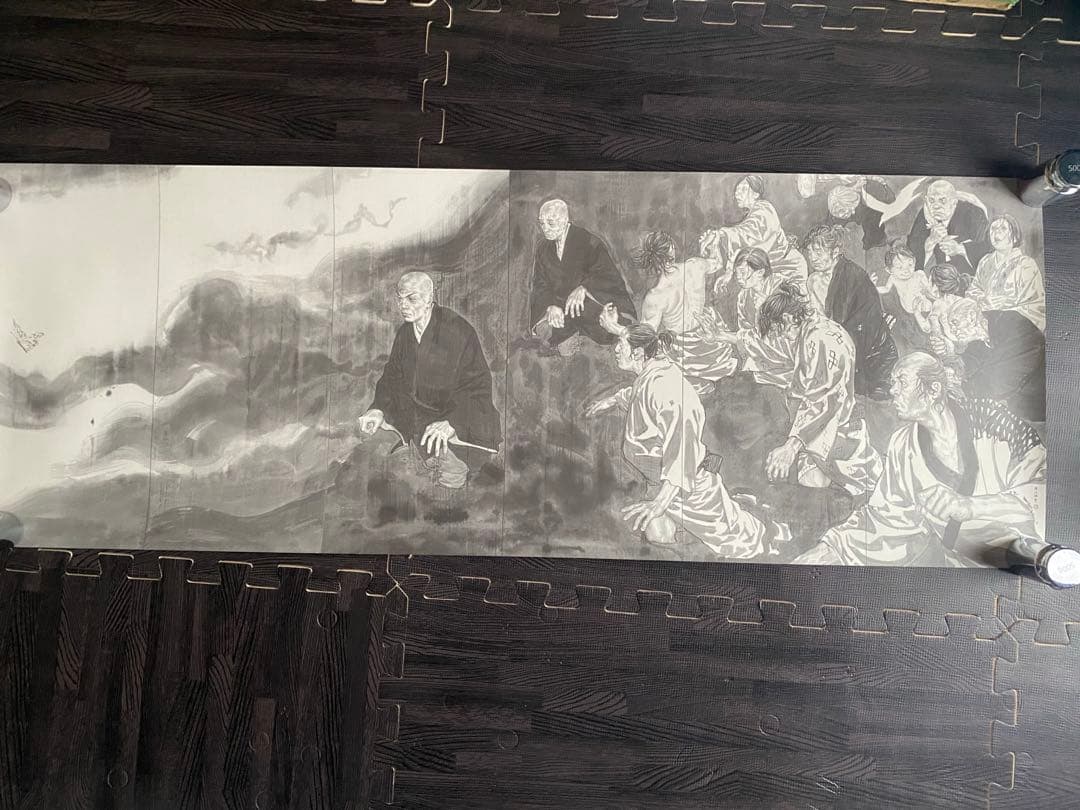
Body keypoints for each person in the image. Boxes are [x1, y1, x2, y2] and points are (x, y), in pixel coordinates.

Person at [794, 352, 1045, 566]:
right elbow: (887, 518)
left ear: (933, 390)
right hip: (960, 568)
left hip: (1028, 561)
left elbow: (1041, 492)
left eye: (901, 382)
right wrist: (832, 549)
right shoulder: (903, 444)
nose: (893, 390)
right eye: (892, 383)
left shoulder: (993, 421)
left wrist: (971, 506)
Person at [584, 323, 788, 559]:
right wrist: (612, 400)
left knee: (740, 542)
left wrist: (659, 503)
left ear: (638, 353)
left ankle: (769, 530)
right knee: (657, 533)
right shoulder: (650, 375)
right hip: (660, 481)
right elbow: (639, 396)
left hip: (687, 484)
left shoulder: (667, 387)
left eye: (621, 345)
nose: (616, 350)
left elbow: (682, 452)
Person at [357, 271, 501, 489]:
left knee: (450, 478)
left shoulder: (457, 330)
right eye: (400, 299)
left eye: (411, 298)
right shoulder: (405, 333)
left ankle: (453, 461)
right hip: (418, 413)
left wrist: (452, 422)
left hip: (457, 415)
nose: (403, 305)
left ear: (429, 298)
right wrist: (378, 408)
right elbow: (392, 377)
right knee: (375, 452)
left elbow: (477, 386)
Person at [757, 281, 883, 497]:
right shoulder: (812, 330)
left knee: (813, 482)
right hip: (817, 423)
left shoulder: (820, 338)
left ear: (787, 318)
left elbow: (824, 399)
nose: (780, 337)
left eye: (778, 330)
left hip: (834, 426)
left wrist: (791, 447)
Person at [599, 231, 736, 393]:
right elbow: (717, 263)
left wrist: (614, 327)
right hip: (711, 342)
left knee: (654, 357)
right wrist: (713, 245)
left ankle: (693, 382)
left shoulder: (656, 296)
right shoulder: (695, 265)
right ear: (672, 249)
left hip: (686, 350)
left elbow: (644, 337)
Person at [528, 199, 637, 352]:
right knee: (544, 330)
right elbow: (540, 285)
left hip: (591, 304)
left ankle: (575, 333)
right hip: (562, 307)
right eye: (542, 223)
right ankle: (568, 332)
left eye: (550, 223)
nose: (545, 229)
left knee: (595, 317)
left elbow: (608, 275)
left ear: (565, 220)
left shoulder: (589, 241)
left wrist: (584, 288)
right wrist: (550, 306)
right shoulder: (542, 248)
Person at [803, 224, 897, 399]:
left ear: (835, 251)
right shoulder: (813, 281)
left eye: (818, 252)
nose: (813, 258)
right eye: (809, 252)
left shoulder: (854, 276)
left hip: (871, 354)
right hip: (836, 345)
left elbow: (860, 323)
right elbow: (819, 321)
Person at [943, 298, 1046, 423]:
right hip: (1021, 413)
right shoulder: (979, 339)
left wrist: (964, 389)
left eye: (955, 323)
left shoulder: (1013, 325)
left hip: (1045, 407)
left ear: (972, 316)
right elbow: (970, 361)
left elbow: (1002, 379)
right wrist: (952, 365)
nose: (953, 331)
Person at [702, 175, 808, 283]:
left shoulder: (764, 209)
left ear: (756, 194)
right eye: (737, 190)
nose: (737, 193)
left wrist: (720, 234)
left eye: (743, 189)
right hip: (770, 271)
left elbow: (749, 235)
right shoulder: (753, 213)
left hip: (789, 268)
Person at [968, 214, 1045, 332]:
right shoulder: (985, 261)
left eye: (1003, 228)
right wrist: (983, 299)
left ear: (1015, 237)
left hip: (1012, 327)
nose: (996, 233)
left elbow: (1036, 306)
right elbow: (973, 290)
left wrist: (1005, 304)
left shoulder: (1026, 265)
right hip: (982, 322)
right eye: (993, 228)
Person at [906, 179, 991, 275]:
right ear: (926, 200)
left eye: (942, 200)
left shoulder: (973, 213)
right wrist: (930, 242)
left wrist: (959, 249)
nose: (936, 206)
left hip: (969, 275)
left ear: (954, 202)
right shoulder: (925, 215)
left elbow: (986, 248)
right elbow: (911, 252)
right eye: (931, 200)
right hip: (939, 276)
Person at [876, 242, 935, 352]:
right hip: (907, 312)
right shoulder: (893, 279)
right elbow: (886, 289)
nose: (906, 270)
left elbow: (929, 292)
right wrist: (873, 286)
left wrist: (927, 292)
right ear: (889, 270)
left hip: (923, 308)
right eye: (899, 267)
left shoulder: (919, 274)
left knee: (928, 332)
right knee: (911, 339)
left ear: (915, 262)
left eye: (910, 265)